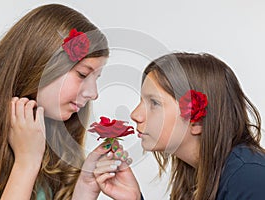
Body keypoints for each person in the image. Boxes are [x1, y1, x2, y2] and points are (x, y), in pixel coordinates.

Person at [0, 3, 130, 200]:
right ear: (40, 64)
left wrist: (84, 191)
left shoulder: (51, 135)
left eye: (97, 78)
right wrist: (27, 163)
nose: (93, 94)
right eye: (82, 74)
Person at [94, 52, 265, 200]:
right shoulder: (195, 176)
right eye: (141, 100)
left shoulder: (248, 177)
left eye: (154, 103)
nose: (135, 115)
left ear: (197, 120)